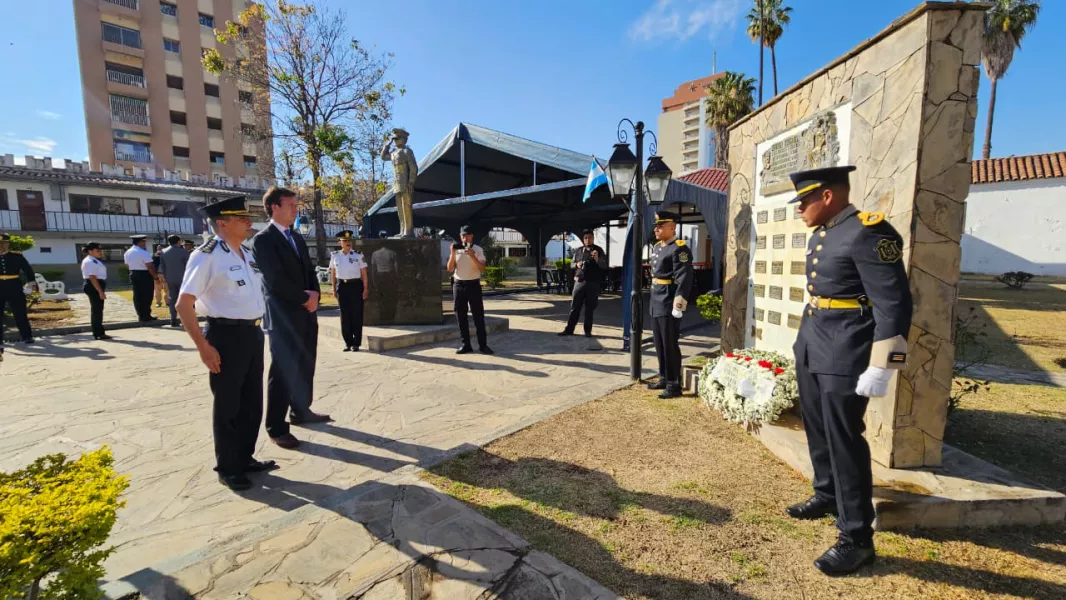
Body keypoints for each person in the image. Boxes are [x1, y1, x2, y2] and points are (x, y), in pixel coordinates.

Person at [783, 166, 912, 576]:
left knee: (843, 438)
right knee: (817, 426)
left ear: (827, 196)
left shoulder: (868, 231)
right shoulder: (824, 233)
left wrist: (884, 364)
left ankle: (856, 537)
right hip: (814, 341)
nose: (800, 208)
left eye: (805, 200)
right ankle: (826, 493)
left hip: (846, 348)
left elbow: (894, 303)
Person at [176, 195, 276, 491]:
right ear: (222, 223)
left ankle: (245, 458)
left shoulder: (245, 253)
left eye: (247, 217)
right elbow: (184, 305)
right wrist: (203, 347)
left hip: (253, 334)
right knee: (228, 404)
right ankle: (228, 467)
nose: (248, 222)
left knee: (251, 403)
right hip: (225, 336)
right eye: (240, 218)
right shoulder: (206, 256)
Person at [252, 186, 331, 451]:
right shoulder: (263, 240)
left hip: (305, 312)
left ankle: (301, 410)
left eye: (296, 205)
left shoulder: (295, 237)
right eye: (291, 205)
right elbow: (273, 280)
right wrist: (303, 297)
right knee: (283, 369)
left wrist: (315, 295)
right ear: (274, 206)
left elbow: (309, 270)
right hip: (283, 314)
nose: (296, 209)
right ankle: (276, 426)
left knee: (306, 362)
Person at [646, 212, 693, 399]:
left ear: (672, 227)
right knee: (659, 343)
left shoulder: (679, 249)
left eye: (660, 226)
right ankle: (664, 377)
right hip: (656, 300)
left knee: (669, 344)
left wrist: (679, 304)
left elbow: (684, 278)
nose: (656, 229)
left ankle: (674, 384)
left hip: (668, 301)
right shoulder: (658, 247)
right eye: (656, 226)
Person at [447, 226, 494, 355]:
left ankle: (483, 345)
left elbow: (482, 269)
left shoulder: (478, 250)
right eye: (462, 235)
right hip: (458, 285)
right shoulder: (456, 250)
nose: (464, 237)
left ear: (472, 236)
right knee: (461, 316)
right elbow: (450, 269)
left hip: (473, 285)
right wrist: (452, 253)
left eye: (467, 235)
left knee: (478, 316)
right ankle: (466, 345)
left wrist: (472, 256)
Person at [559, 229, 607, 338]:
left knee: (589, 309)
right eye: (585, 238)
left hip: (593, 283)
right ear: (583, 239)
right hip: (580, 282)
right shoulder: (578, 250)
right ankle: (569, 330)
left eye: (590, 237)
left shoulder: (598, 250)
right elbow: (571, 265)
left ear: (593, 238)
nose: (587, 240)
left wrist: (597, 259)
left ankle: (587, 331)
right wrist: (577, 265)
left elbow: (604, 266)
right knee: (575, 307)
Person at [329, 230, 368, 351]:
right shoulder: (335, 256)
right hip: (342, 286)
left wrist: (366, 288)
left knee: (357, 314)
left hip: (355, 286)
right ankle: (348, 342)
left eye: (349, 240)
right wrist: (334, 288)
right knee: (345, 315)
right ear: (339, 242)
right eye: (345, 241)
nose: (347, 243)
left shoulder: (358, 255)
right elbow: (333, 272)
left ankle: (356, 343)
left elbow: (364, 274)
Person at [0, 233, 37, 358]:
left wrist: (30, 284)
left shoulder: (17, 256)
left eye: (3, 244)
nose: (1, 246)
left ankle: (27, 336)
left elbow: (28, 270)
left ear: (7, 244)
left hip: (14, 286)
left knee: (20, 313)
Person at [124, 234, 158, 322]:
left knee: (137, 295)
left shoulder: (128, 252)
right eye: (143, 241)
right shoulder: (143, 252)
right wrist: (155, 277)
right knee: (147, 295)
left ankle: (141, 315)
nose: (144, 243)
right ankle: (146, 315)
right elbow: (150, 266)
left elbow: (127, 264)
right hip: (144, 274)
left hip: (133, 273)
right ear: (140, 242)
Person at [81, 242, 111, 341]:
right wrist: (100, 291)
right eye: (97, 250)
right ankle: (98, 333)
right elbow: (92, 277)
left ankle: (99, 332)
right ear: (90, 251)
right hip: (93, 285)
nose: (100, 252)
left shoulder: (94, 260)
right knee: (96, 310)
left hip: (96, 284)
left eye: (100, 250)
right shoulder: (89, 261)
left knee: (98, 309)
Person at [159, 234, 190, 327]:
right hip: (183, 279)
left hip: (170, 279)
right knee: (184, 300)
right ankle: (185, 320)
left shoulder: (163, 252)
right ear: (178, 241)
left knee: (172, 299)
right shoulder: (183, 252)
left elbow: (163, 267)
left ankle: (173, 319)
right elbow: (188, 267)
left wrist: (166, 277)